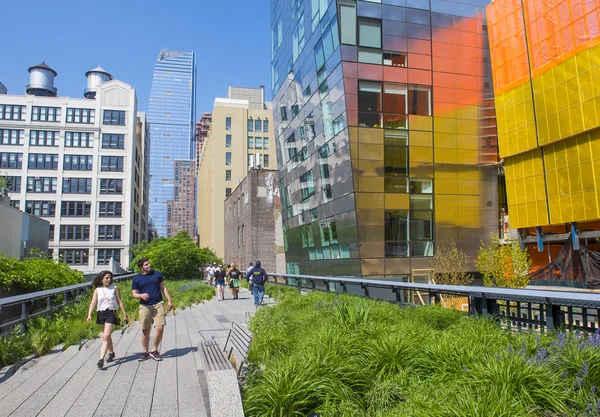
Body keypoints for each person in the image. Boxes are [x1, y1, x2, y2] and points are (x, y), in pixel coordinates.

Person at [132, 258, 173, 361]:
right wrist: (141, 295)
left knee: (160, 327)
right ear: (141, 268)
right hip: (144, 306)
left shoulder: (157, 274)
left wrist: (169, 300)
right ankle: (145, 351)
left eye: (149, 264)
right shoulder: (137, 278)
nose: (149, 266)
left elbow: (163, 288)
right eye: (146, 265)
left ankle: (154, 350)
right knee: (146, 330)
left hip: (158, 304)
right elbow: (134, 294)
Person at [86, 270, 128, 369]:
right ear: (101, 279)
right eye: (106, 278)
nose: (109, 280)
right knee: (107, 337)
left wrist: (125, 314)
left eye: (110, 278)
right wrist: (89, 314)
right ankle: (111, 353)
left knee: (105, 337)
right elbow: (93, 303)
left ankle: (101, 360)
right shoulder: (97, 290)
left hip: (111, 313)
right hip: (101, 313)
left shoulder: (115, 288)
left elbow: (120, 301)